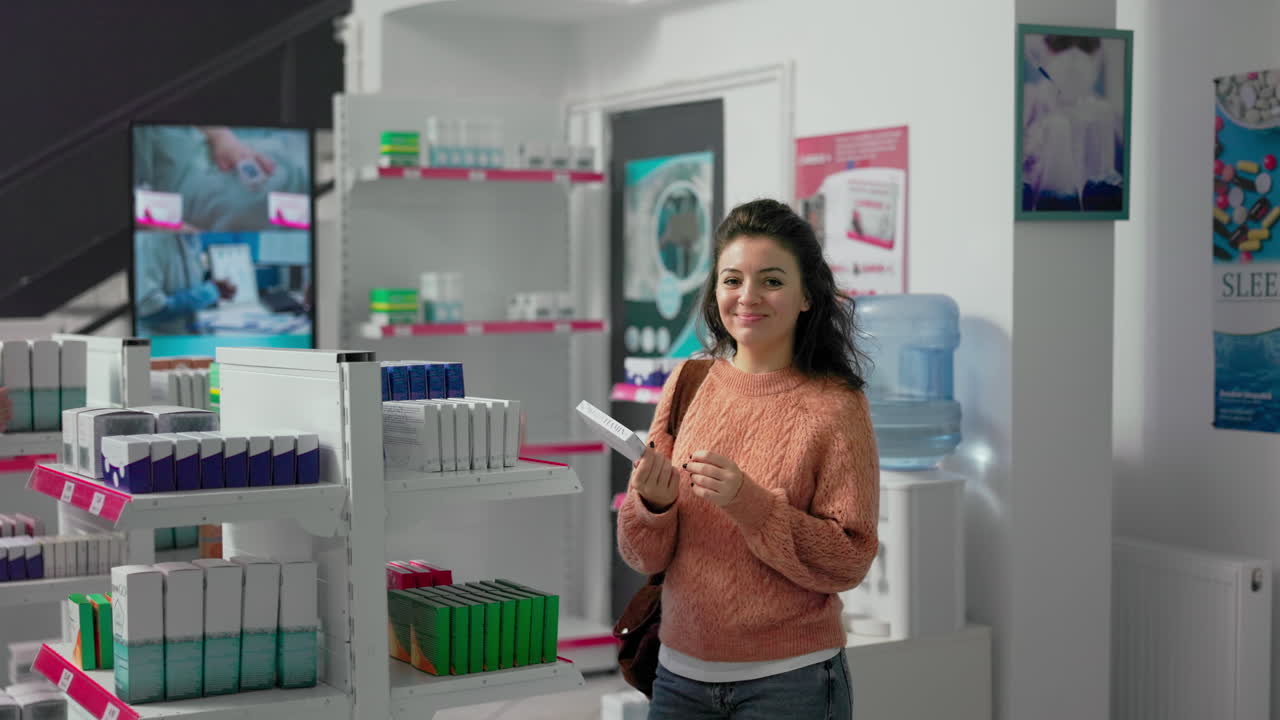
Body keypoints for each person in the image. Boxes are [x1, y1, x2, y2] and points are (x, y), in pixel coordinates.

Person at [617, 199, 880, 719]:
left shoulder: (835, 405)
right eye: (732, 279)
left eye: (772, 281)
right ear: (715, 291)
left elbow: (849, 558)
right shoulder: (690, 382)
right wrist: (653, 505)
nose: (748, 297)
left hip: (791, 684)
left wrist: (751, 505)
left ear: (807, 295)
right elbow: (641, 556)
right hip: (678, 678)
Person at [135, 234, 236, 336]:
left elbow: (186, 286)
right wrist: (210, 292)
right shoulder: (149, 238)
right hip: (158, 342)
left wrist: (212, 293)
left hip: (186, 338)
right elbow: (148, 308)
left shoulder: (192, 238)